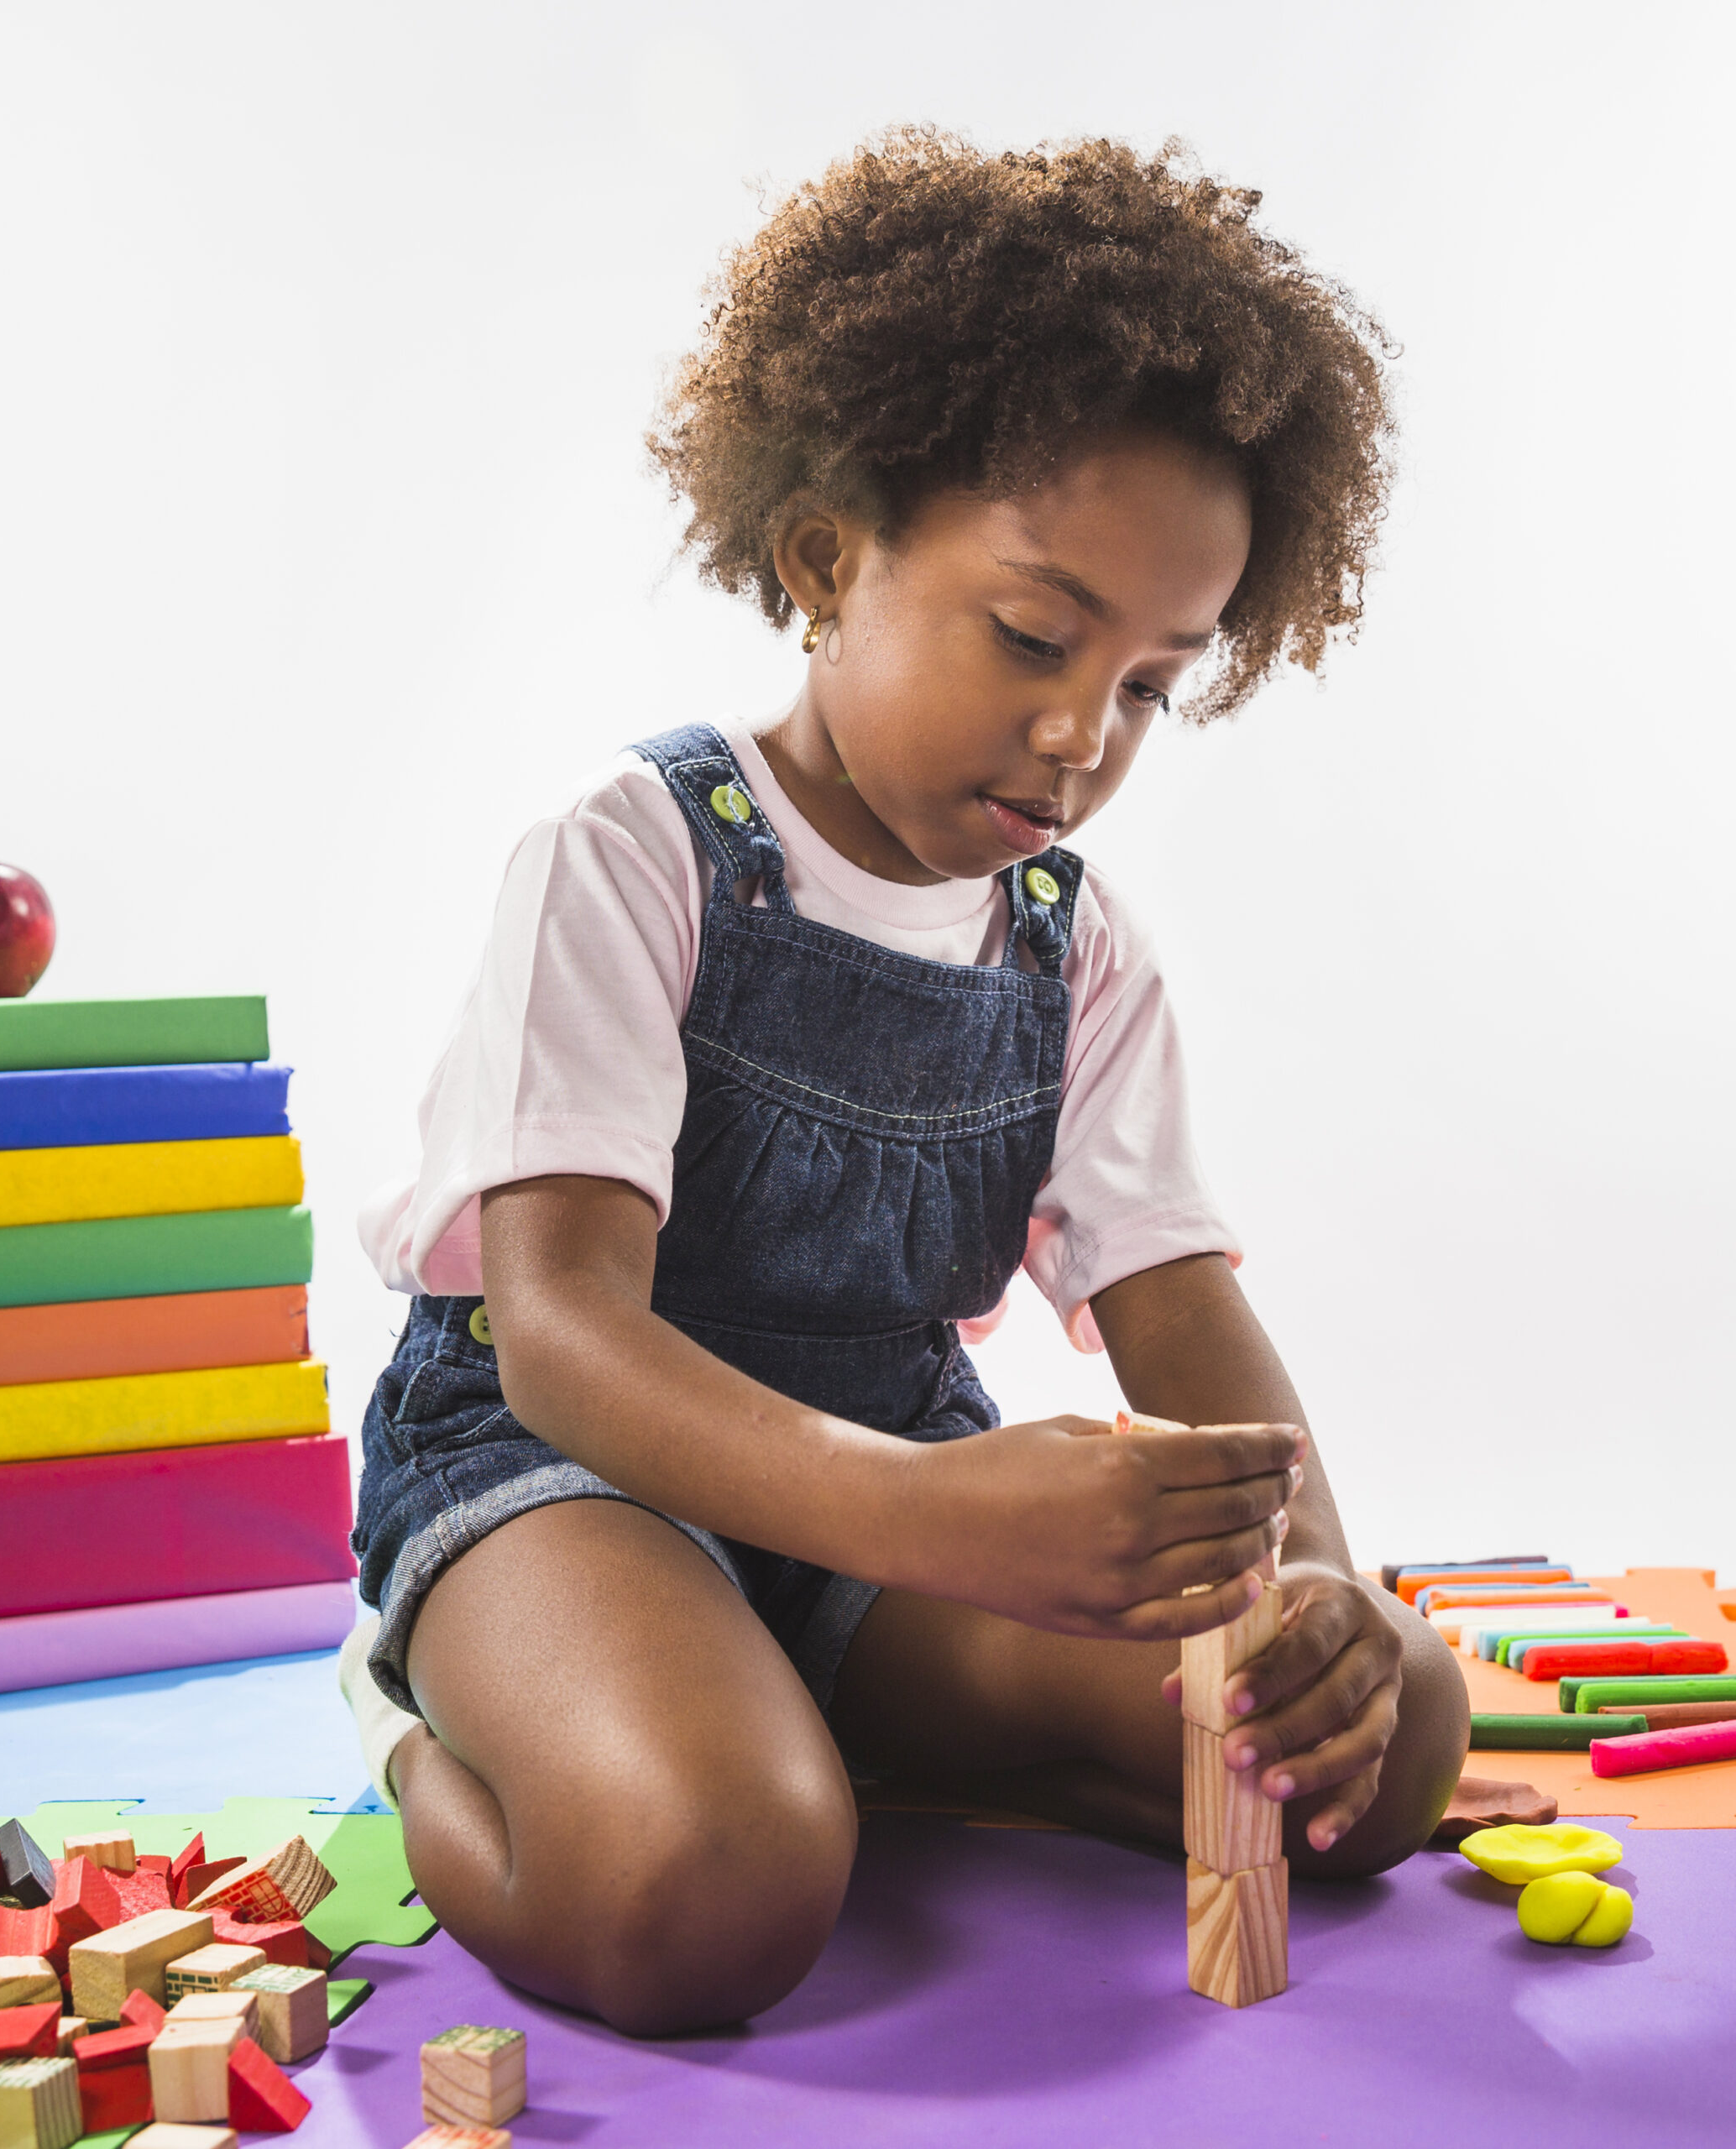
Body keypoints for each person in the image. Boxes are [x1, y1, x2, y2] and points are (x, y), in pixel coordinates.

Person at [340, 126, 1469, 2036]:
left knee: (1386, 1748)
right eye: (1033, 635)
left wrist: (1318, 1593)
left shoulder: (1074, 949)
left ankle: (831, 1711)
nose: (1081, 732)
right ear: (822, 558)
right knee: (708, 1884)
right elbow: (560, 1338)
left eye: (1148, 683)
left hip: (888, 1493)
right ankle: (414, 1722)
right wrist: (931, 1520)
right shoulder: (631, 858)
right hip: (561, 1472)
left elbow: (1179, 1306)